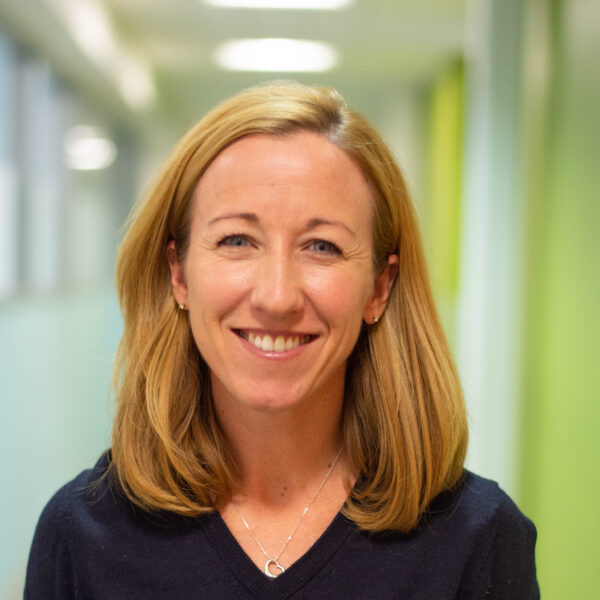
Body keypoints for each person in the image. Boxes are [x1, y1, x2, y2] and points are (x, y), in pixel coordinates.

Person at [25, 82, 539, 599]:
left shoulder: (479, 540)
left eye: (322, 246)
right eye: (237, 240)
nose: (276, 296)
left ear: (379, 289)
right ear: (178, 274)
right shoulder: (82, 538)